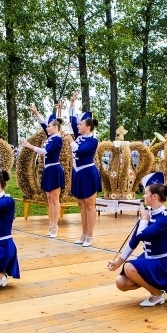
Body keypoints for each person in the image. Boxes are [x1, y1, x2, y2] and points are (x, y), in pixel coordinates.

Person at [106, 173, 167, 306]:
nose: (143, 196)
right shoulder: (148, 213)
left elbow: (142, 235)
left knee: (130, 267)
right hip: (149, 258)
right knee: (121, 283)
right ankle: (155, 288)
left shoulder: (166, 219)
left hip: (164, 263)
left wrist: (144, 220)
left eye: (145, 193)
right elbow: (134, 240)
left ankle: (157, 294)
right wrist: (118, 262)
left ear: (154, 196)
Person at [22, 103, 65, 238]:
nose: (47, 128)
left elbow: (46, 151)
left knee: (54, 198)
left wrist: (30, 146)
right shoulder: (51, 136)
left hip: (54, 169)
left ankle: (55, 226)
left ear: (55, 127)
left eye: (49, 126)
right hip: (47, 170)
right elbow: (43, 124)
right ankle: (51, 225)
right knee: (49, 198)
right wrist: (36, 113)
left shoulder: (57, 139)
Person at [66, 92, 102, 247]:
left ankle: (90, 235)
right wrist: (73, 102)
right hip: (77, 173)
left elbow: (80, 151)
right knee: (80, 203)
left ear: (88, 126)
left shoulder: (93, 140)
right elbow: (72, 119)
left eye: (81, 125)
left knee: (89, 204)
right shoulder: (80, 135)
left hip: (88, 173)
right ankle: (83, 233)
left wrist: (70, 141)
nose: (78, 126)